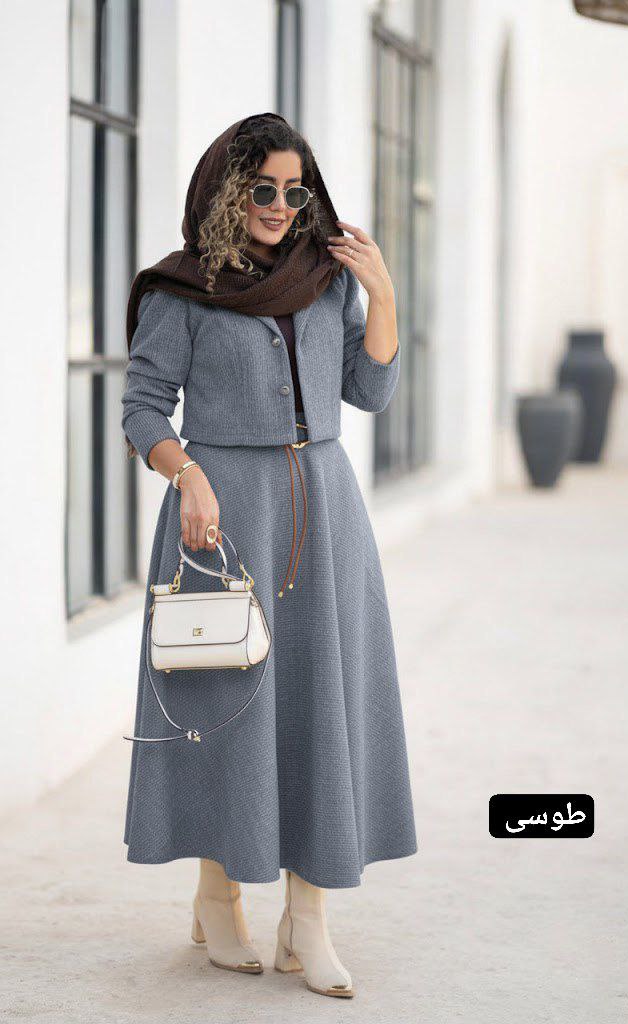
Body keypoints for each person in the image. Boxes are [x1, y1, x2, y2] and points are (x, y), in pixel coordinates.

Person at [121, 112, 417, 1000]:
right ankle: (217, 900)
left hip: (324, 513)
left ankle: (308, 923)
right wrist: (187, 475)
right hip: (223, 517)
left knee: (322, 706)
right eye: (262, 188)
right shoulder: (184, 290)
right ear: (227, 189)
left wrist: (382, 295)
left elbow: (369, 390)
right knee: (227, 708)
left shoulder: (326, 282)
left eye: (295, 190)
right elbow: (143, 405)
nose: (280, 205)